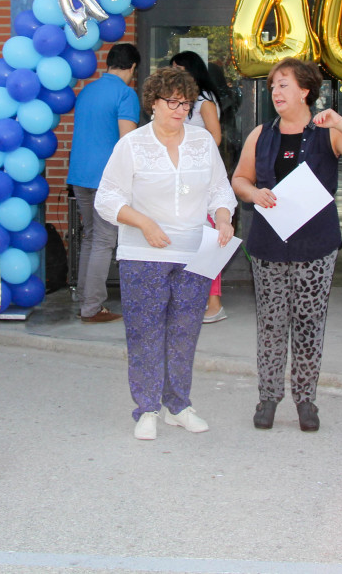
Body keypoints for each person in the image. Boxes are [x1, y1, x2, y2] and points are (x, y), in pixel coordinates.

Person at [231, 58, 342, 432]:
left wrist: (340, 120)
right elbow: (239, 178)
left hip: (316, 244)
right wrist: (254, 193)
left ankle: (305, 400)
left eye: (284, 85)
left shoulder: (325, 133)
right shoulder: (260, 134)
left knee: (308, 322)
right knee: (270, 324)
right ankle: (268, 397)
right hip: (268, 244)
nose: (276, 92)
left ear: (305, 90)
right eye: (272, 87)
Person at [96, 66, 237, 441]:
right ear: (153, 103)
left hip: (194, 253)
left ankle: (178, 405)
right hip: (144, 253)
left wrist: (223, 219)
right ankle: (146, 408)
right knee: (144, 333)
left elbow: (221, 190)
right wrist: (143, 223)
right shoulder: (133, 145)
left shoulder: (202, 142)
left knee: (184, 332)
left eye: (185, 102)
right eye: (172, 101)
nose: (179, 109)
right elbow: (107, 198)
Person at [65, 42, 140, 324]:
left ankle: (85, 297)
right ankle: (93, 308)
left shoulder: (87, 91)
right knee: (105, 241)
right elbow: (127, 141)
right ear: (133, 67)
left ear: (109, 63)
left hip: (79, 176)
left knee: (90, 237)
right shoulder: (126, 94)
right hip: (107, 178)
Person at [168, 50, 227, 324]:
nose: (175, 74)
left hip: (200, 177)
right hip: (182, 178)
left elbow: (215, 137)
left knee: (208, 239)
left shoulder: (204, 100)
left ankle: (214, 303)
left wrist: (188, 156)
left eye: (179, 69)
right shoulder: (184, 101)